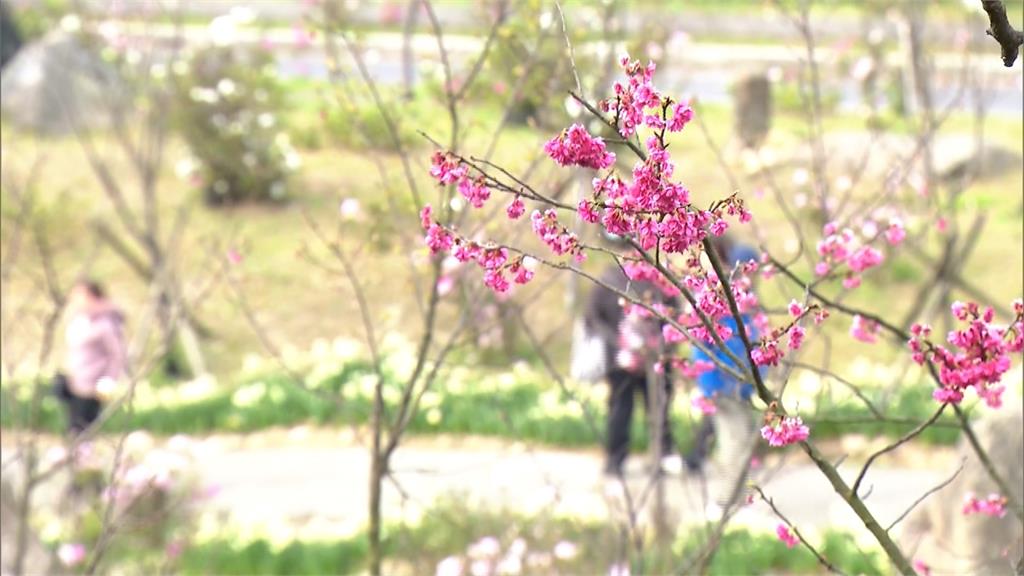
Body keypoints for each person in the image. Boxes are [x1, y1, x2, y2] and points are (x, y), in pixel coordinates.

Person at [583, 242, 681, 477]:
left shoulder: (657, 279)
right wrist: (620, 343)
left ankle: (656, 457)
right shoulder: (610, 280)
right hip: (622, 360)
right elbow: (594, 318)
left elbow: (675, 320)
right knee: (624, 410)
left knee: (655, 410)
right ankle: (618, 460)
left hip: (651, 359)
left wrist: (660, 345)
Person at [683, 236, 763, 513]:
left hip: (741, 379)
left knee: (741, 442)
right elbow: (701, 343)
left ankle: (737, 498)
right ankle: (723, 500)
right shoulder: (709, 295)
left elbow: (750, 338)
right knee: (733, 443)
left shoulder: (740, 295)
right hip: (720, 379)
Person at [61, 279, 126, 435]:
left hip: (94, 383)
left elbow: (117, 353)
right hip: (75, 381)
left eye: (79, 296)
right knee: (72, 426)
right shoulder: (79, 319)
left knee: (84, 427)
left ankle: (83, 455)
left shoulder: (105, 322)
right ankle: (75, 455)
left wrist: (109, 379)